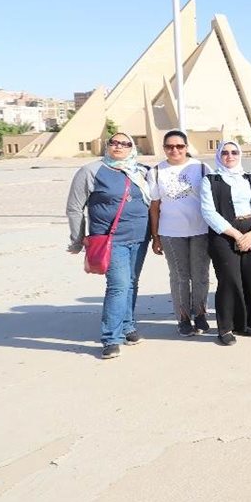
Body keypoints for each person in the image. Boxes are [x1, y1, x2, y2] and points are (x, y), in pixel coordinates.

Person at [65, 132, 151, 359]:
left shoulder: (141, 171)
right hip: (110, 240)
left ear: (132, 148)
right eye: (114, 142)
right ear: (107, 145)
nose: (118, 146)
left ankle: (128, 326)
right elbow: (75, 207)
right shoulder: (91, 171)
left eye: (125, 143)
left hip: (140, 236)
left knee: (131, 283)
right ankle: (111, 338)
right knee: (118, 286)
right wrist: (77, 238)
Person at [200, 141, 251, 345]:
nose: (230, 156)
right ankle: (226, 328)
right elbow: (208, 212)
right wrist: (237, 235)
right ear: (219, 155)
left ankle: (244, 324)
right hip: (224, 234)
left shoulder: (250, 178)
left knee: (249, 278)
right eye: (225, 152)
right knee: (229, 280)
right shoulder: (210, 180)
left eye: (234, 152)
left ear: (240, 154)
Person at [147, 129, 211, 336]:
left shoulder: (201, 168)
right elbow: (154, 207)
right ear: (164, 148)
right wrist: (155, 237)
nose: (174, 150)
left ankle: (200, 314)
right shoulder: (156, 172)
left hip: (201, 230)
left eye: (179, 146)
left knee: (200, 275)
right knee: (179, 277)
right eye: (169, 146)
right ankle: (183, 318)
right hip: (171, 233)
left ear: (186, 147)